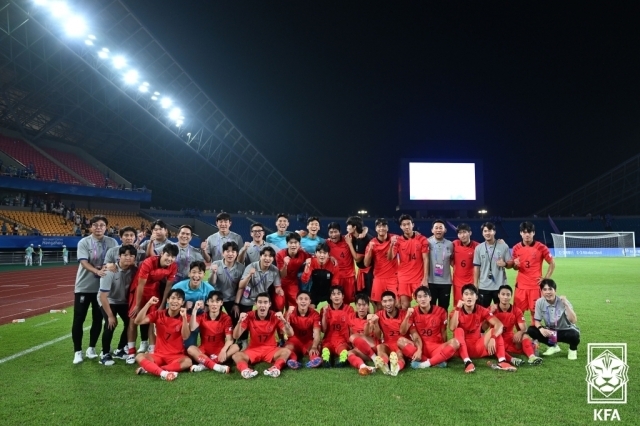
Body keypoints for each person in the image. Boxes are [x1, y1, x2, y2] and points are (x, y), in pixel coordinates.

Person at [72, 215, 118, 364]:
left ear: (106, 227)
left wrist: (107, 267)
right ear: (91, 227)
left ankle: (91, 348)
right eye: (96, 225)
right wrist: (97, 271)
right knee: (79, 318)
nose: (99, 228)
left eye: (102, 225)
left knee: (98, 319)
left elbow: (115, 262)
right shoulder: (84, 242)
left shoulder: (111, 242)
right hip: (84, 286)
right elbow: (84, 262)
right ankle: (77, 351)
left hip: (103, 289)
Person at [126, 244, 179, 362]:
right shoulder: (148, 262)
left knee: (153, 321)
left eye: (173, 257)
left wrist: (163, 304)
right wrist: (138, 304)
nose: (170, 259)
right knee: (133, 319)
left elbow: (168, 287)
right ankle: (131, 351)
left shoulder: (173, 266)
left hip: (153, 291)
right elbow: (140, 284)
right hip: (139, 290)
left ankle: (152, 351)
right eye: (168, 255)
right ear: (161, 254)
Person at [449, 284, 516, 373]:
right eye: (466, 294)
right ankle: (467, 362)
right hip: (461, 348)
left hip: (478, 347)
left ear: (476, 297)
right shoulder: (456, 311)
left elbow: (499, 325)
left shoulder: (481, 310)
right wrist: (457, 309)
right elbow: (452, 327)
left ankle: (502, 361)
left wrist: (493, 338)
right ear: (462, 297)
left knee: (494, 331)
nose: (469, 297)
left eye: (472, 294)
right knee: (458, 330)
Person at [231, 292, 294, 379]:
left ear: (269, 304)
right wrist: (239, 322)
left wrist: (284, 320)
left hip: (270, 349)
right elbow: (235, 336)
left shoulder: (275, 316)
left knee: (286, 351)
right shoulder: (249, 315)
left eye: (265, 302)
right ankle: (245, 370)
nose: (262, 305)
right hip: (253, 349)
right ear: (255, 304)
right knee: (236, 355)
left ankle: (275, 368)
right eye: (260, 302)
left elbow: (291, 334)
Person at [134, 290, 192, 381]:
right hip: (158, 355)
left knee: (188, 362)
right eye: (172, 298)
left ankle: (152, 369)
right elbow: (137, 321)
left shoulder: (186, 317)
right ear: (168, 300)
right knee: (139, 356)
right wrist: (148, 304)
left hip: (176, 356)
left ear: (182, 303)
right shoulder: (158, 314)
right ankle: (164, 373)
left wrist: (184, 317)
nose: (175, 301)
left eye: (179, 299)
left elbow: (185, 336)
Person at [400, 286, 459, 369]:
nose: (423, 299)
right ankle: (436, 361)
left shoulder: (441, 311)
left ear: (430, 298)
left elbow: (443, 332)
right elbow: (408, 333)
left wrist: (444, 348)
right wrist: (406, 316)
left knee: (455, 342)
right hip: (419, 347)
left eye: (425, 296)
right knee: (400, 341)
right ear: (416, 299)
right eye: (419, 297)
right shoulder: (412, 312)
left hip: (436, 347)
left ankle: (423, 364)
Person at [236, 246, 285, 346]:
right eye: (265, 255)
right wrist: (249, 275)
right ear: (260, 256)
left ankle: (276, 339)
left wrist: (279, 290)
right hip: (248, 297)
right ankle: (244, 340)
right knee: (244, 317)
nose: (267, 258)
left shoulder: (274, 270)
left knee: (274, 316)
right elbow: (241, 285)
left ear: (273, 258)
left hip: (263, 298)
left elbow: (277, 286)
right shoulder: (251, 267)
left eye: (270, 256)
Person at [98, 245, 138, 365]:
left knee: (130, 323)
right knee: (111, 324)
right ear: (119, 256)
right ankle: (104, 354)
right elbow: (103, 296)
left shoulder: (134, 270)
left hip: (123, 301)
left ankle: (120, 350)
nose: (128, 258)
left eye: (131, 255)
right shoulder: (110, 270)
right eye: (125, 255)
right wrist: (110, 316)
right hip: (109, 300)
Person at [366, 291, 419, 376]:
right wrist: (375, 323)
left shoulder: (404, 314)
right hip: (388, 343)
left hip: (401, 344)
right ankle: (385, 365)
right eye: (385, 301)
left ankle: (397, 367)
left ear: (395, 301)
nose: (388, 304)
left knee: (399, 354)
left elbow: (404, 332)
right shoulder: (379, 314)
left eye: (390, 300)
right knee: (380, 346)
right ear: (382, 303)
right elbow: (378, 336)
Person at [525, 279, 580, 360]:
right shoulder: (539, 302)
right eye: (545, 289)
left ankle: (573, 349)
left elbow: (573, 320)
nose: (548, 292)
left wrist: (566, 305)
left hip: (565, 330)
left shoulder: (563, 301)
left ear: (555, 290)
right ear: (541, 291)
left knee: (574, 334)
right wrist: (541, 329)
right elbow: (537, 321)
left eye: (550, 289)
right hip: (551, 333)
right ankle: (553, 346)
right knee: (531, 330)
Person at [512, 221, 555, 319]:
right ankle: (521, 332)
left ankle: (535, 333)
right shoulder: (515, 248)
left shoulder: (541, 247)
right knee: (517, 313)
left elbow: (552, 263)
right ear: (521, 233)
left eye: (529, 232)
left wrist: (546, 278)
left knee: (535, 314)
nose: (527, 234)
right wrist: (515, 265)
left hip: (535, 286)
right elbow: (515, 267)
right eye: (524, 232)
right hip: (520, 286)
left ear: (533, 233)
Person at [187, 292, 237, 374]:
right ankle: (217, 366)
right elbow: (192, 328)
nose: (214, 304)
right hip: (204, 351)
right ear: (207, 302)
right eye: (212, 301)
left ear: (221, 303)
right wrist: (194, 310)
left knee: (235, 347)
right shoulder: (202, 316)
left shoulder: (226, 318)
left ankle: (204, 364)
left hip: (219, 351)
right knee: (190, 349)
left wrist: (223, 351)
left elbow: (230, 340)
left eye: (217, 302)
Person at [492, 285, 543, 366]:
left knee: (525, 335)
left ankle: (532, 357)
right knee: (493, 345)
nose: (505, 297)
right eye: (503, 294)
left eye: (508, 295)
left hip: (510, 339)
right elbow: (483, 329)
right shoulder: (492, 309)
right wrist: (489, 313)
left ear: (511, 296)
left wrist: (521, 332)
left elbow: (524, 328)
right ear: (498, 295)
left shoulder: (516, 310)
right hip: (497, 338)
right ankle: (513, 360)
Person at [171, 261, 214, 347]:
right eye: (194, 272)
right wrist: (183, 306)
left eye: (200, 273)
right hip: (184, 318)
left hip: (203, 319)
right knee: (188, 348)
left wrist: (206, 307)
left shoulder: (210, 289)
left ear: (204, 274)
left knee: (209, 347)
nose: (196, 276)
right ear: (189, 273)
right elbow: (170, 309)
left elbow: (216, 308)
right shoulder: (177, 287)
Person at [392, 214, 429, 309]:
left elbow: (426, 259)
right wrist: (392, 244)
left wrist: (425, 278)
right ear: (400, 226)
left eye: (408, 224)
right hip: (403, 277)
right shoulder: (398, 241)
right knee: (404, 305)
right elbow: (391, 256)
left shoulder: (422, 239)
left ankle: (421, 323)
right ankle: (406, 323)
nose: (407, 226)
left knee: (423, 304)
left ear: (413, 224)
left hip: (418, 277)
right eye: (404, 225)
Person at [473, 222, 513, 308]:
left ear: (494, 232)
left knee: (501, 312)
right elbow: (476, 267)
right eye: (485, 231)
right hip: (484, 286)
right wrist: (476, 284)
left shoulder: (503, 246)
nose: (487, 233)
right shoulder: (479, 248)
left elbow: (510, 264)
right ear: (482, 233)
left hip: (500, 286)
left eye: (490, 230)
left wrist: (505, 264)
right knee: (482, 313)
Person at [363, 218, 398, 309]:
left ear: (387, 228)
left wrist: (391, 245)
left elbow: (390, 258)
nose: (381, 228)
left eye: (383, 226)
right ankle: (378, 323)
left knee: (396, 304)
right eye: (379, 226)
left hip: (392, 278)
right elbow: (366, 264)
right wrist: (370, 250)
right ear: (376, 229)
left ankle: (394, 323)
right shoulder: (372, 243)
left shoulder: (395, 239)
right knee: (379, 305)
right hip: (378, 278)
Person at [209, 241, 245, 326]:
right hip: (218, 298)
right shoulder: (216, 264)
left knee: (235, 320)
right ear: (223, 253)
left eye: (233, 252)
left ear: (237, 254)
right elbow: (211, 283)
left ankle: (234, 338)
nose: (230, 254)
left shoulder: (241, 267)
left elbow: (241, 287)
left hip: (232, 298)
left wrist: (236, 304)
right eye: (227, 251)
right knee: (215, 321)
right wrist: (214, 273)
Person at [284, 291, 322, 369]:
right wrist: (287, 315)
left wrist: (314, 346)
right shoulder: (290, 313)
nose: (303, 301)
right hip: (294, 340)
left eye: (306, 299)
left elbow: (317, 333)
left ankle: (314, 360)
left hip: (308, 340)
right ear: (296, 300)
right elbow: (286, 332)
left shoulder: (315, 314)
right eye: (300, 299)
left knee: (315, 349)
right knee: (288, 349)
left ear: (309, 301)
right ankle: (293, 361)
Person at [320, 286, 355, 367]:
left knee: (343, 349)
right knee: (326, 349)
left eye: (339, 294)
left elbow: (351, 327)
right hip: (329, 339)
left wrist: (352, 341)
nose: (336, 296)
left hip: (343, 339)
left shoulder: (349, 309)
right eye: (333, 294)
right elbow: (323, 330)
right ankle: (326, 360)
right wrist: (324, 314)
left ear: (343, 296)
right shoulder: (324, 309)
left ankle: (343, 360)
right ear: (330, 297)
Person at [276, 232, 311, 309]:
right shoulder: (280, 254)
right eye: (291, 243)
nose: (293, 245)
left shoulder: (303, 254)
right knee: (279, 305)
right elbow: (282, 275)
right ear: (287, 243)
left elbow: (315, 258)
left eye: (295, 243)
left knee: (296, 306)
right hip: (280, 283)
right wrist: (285, 265)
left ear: (299, 244)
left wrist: (330, 257)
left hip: (293, 283)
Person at [346, 293, 377, 376]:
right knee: (349, 353)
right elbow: (350, 331)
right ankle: (364, 366)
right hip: (361, 349)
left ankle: (375, 358)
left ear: (368, 306)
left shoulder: (372, 317)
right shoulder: (351, 317)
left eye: (364, 305)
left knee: (353, 337)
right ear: (356, 305)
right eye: (359, 305)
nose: (361, 308)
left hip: (372, 347)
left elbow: (368, 334)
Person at [326, 222, 357, 304]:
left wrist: (364, 231)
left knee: (348, 300)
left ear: (340, 232)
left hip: (349, 276)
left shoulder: (347, 239)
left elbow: (360, 230)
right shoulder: (326, 243)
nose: (333, 235)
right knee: (335, 301)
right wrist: (328, 257)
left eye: (335, 232)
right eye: (331, 232)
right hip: (335, 277)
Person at [300, 242, 339, 307]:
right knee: (310, 310)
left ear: (328, 254)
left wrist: (334, 296)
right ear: (315, 253)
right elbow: (304, 280)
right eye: (320, 252)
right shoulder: (311, 262)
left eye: (324, 253)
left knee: (335, 309)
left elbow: (335, 283)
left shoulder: (333, 264)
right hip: (315, 292)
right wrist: (307, 268)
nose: (322, 255)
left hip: (329, 292)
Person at [427, 220, 454, 310]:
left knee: (444, 308)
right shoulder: (427, 242)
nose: (438, 230)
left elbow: (453, 260)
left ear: (445, 230)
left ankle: (443, 324)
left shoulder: (450, 244)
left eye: (440, 228)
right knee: (431, 308)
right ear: (432, 230)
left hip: (445, 282)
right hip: (431, 282)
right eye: (436, 228)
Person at [345, 216, 373, 299]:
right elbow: (364, 227)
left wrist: (349, 244)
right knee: (363, 297)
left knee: (371, 298)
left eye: (349, 225)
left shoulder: (364, 239)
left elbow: (357, 258)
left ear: (354, 227)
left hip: (369, 272)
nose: (347, 227)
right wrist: (365, 229)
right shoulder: (354, 236)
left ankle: (377, 312)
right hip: (362, 272)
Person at [452, 223, 479, 307]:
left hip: (471, 281)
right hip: (457, 282)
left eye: (464, 232)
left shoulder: (477, 246)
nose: (462, 235)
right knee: (458, 306)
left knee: (471, 306)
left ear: (470, 233)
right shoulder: (454, 244)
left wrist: (499, 242)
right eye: (460, 233)